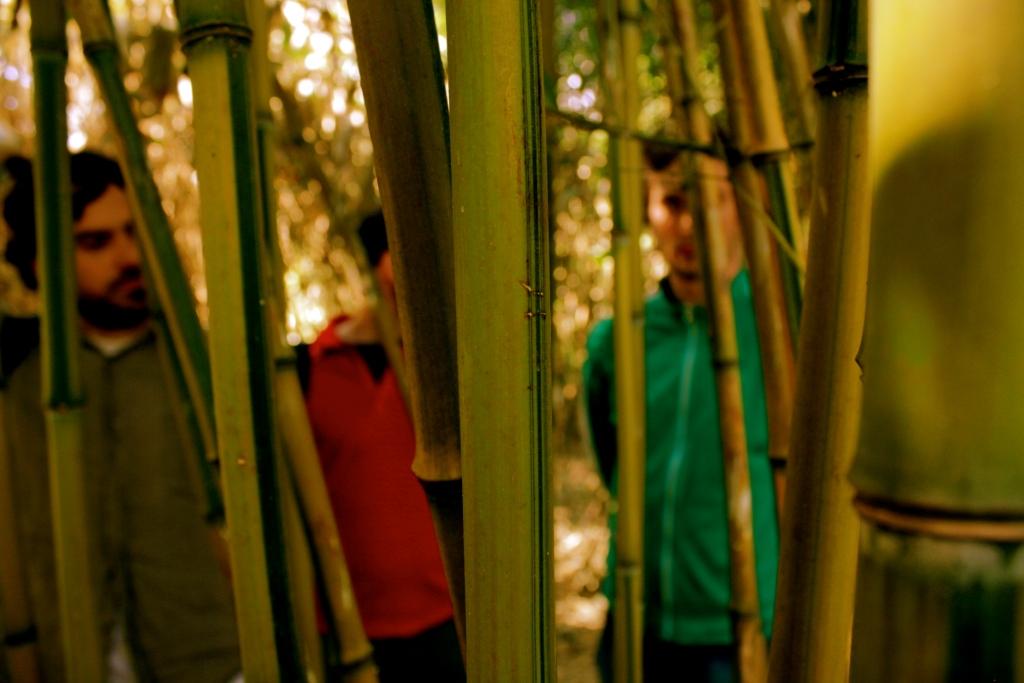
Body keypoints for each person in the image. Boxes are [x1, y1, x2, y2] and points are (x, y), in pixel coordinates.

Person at [1, 152, 242, 682]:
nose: (130, 257)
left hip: (221, 662)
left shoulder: (207, 368)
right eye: (96, 242)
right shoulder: (22, 391)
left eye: (134, 233)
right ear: (40, 263)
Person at [583, 147, 779, 682]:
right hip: (634, 620)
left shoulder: (781, 330)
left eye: (711, 200)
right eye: (673, 202)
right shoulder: (618, 340)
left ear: (744, 204)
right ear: (647, 208)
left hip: (738, 630)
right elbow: (613, 463)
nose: (690, 224)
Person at [304, 211, 465, 683]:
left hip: (453, 618)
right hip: (349, 631)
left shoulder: (452, 366)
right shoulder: (310, 367)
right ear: (375, 268)